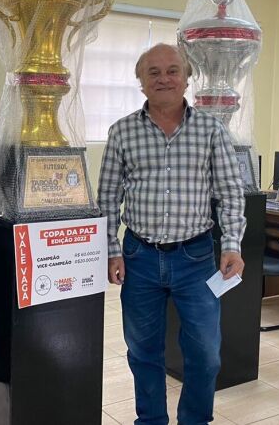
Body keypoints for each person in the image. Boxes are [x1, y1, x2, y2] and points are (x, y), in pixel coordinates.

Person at [98, 43, 246, 425]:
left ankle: (194, 420)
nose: (164, 78)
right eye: (154, 72)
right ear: (141, 82)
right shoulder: (122, 132)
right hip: (139, 257)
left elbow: (230, 192)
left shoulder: (211, 130)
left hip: (195, 258)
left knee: (205, 353)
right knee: (143, 351)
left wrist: (231, 245)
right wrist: (112, 250)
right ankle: (151, 420)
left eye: (173, 70)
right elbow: (108, 198)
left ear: (187, 77)